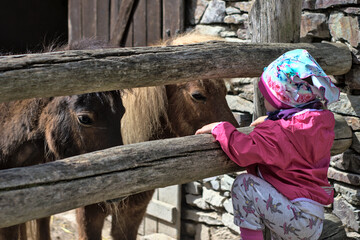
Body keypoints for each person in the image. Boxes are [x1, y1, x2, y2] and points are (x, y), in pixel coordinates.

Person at [195, 49, 340, 240]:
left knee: (244, 186)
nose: (264, 100)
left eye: (267, 97)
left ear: (283, 99)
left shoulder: (277, 132)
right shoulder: (319, 122)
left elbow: (244, 150)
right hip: (312, 215)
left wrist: (221, 128)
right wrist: (275, 119)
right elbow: (292, 135)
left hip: (296, 215)